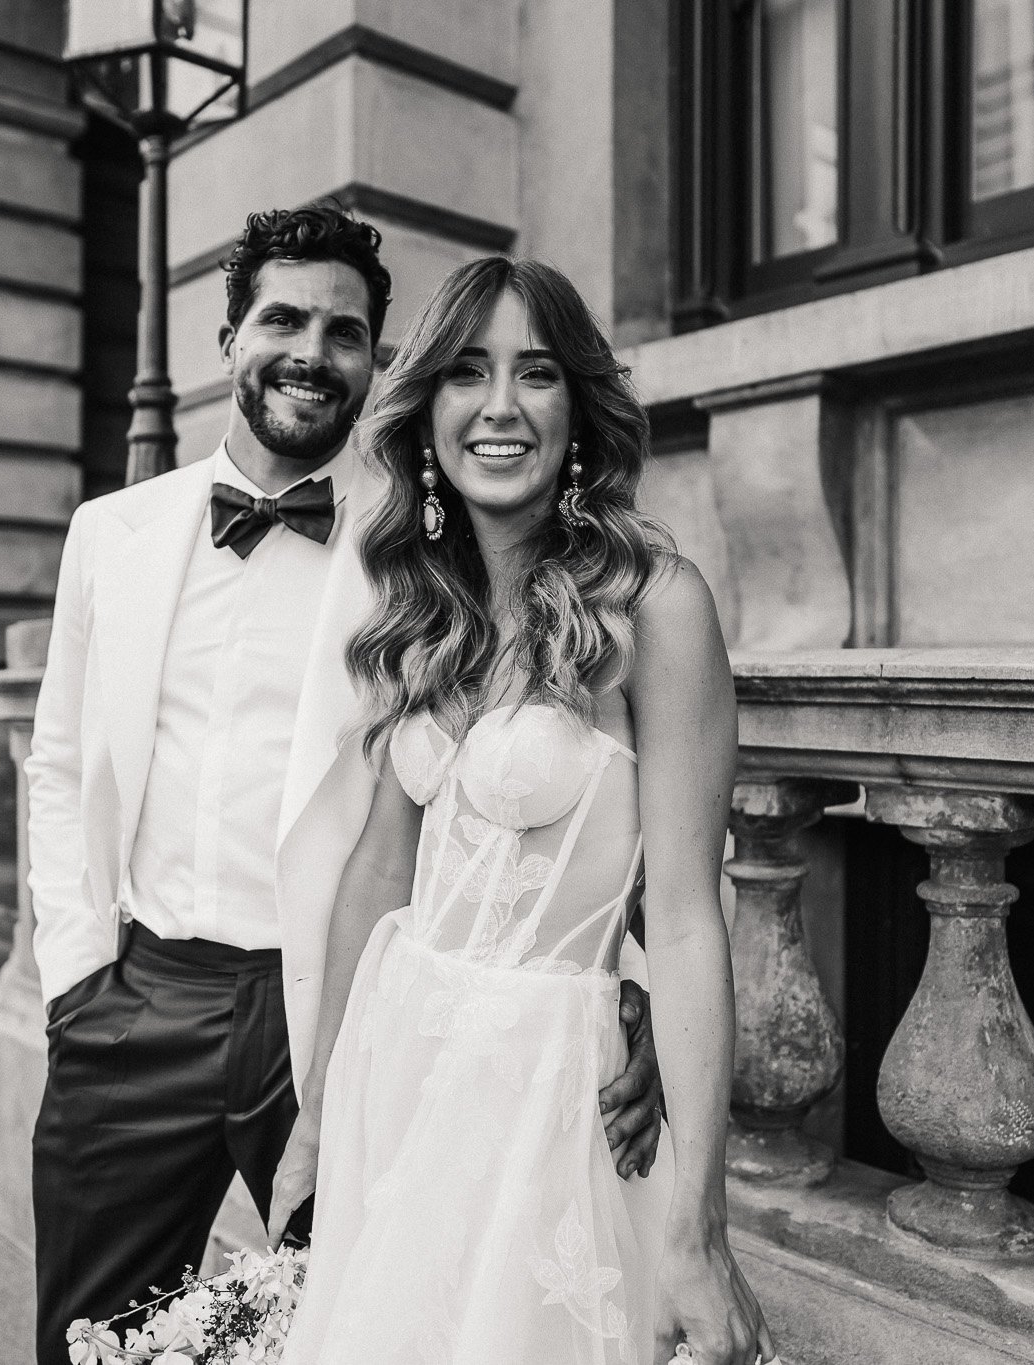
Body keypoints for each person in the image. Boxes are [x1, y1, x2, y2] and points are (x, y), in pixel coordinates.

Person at [23, 207, 667, 1364]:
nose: (310, 354)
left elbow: (597, 763)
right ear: (228, 338)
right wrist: (76, 980)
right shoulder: (108, 535)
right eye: (282, 320)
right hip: (138, 999)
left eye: (344, 333)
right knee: (91, 1337)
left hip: (344, 1012)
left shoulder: (426, 544)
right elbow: (62, 764)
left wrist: (630, 981)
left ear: (376, 367)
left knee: (353, 1323)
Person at [267, 257, 773, 1365]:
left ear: (576, 411)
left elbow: (686, 917)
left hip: (547, 1101)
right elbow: (377, 877)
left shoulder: (655, 606)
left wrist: (699, 1228)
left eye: (533, 374)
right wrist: (319, 1112)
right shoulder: (417, 612)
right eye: (465, 373)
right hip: (395, 1072)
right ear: (426, 411)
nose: (497, 407)